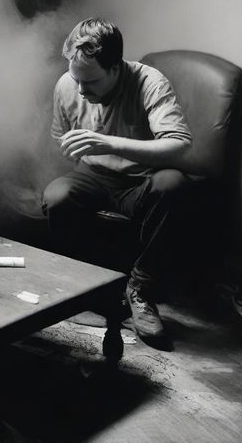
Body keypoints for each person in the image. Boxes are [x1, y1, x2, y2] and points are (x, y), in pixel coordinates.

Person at [42, 18, 192, 344]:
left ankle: (140, 288)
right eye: (75, 78)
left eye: (91, 81)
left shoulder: (150, 82)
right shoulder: (68, 84)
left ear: (115, 68)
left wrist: (110, 143)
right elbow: (60, 137)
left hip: (139, 180)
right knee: (57, 196)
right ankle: (80, 292)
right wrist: (68, 148)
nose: (80, 89)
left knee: (173, 184)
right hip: (92, 175)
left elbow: (180, 144)